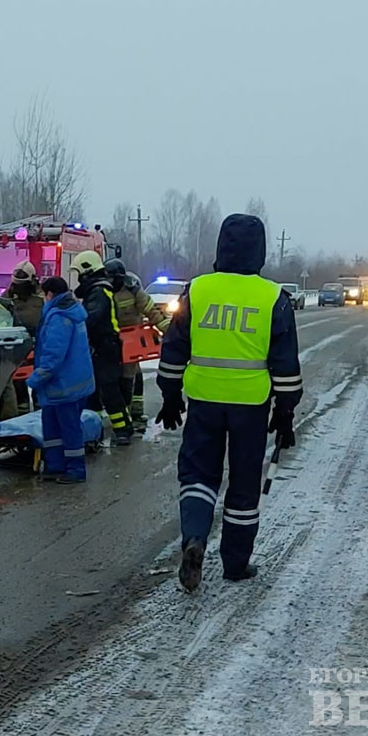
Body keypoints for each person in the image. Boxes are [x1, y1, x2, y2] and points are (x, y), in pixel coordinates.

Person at [156, 214, 303, 591]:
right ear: (261, 251)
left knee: (198, 475)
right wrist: (286, 411)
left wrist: (170, 395)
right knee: (243, 485)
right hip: (250, 405)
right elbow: (285, 363)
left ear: (220, 246)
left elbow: (174, 347)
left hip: (203, 399)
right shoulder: (272, 297)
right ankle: (236, 563)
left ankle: (195, 538)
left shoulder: (198, 290)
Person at [27, 277, 96, 484]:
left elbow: (53, 356)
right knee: (54, 426)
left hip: (63, 385)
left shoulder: (59, 317)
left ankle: (75, 469)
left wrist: (34, 380)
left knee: (68, 428)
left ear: (50, 295)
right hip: (72, 382)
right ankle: (55, 465)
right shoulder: (72, 312)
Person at [71, 251, 132, 446]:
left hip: (105, 349)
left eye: (80, 273)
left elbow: (90, 319)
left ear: (87, 272)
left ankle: (123, 430)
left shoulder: (98, 292)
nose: (79, 278)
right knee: (94, 391)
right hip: (101, 348)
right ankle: (94, 429)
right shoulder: (98, 290)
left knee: (109, 391)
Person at [116, 269, 172, 432]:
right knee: (127, 378)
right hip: (116, 342)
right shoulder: (109, 291)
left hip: (131, 342)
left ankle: (134, 413)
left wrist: (168, 331)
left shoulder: (132, 289)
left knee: (133, 376)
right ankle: (127, 415)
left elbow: (152, 312)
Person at [0, 261, 46, 419]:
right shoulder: (7, 297)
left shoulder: (42, 296)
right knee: (18, 385)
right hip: (16, 346)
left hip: (39, 346)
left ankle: (40, 419)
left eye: (22, 284)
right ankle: (21, 420)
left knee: (39, 385)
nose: (18, 287)